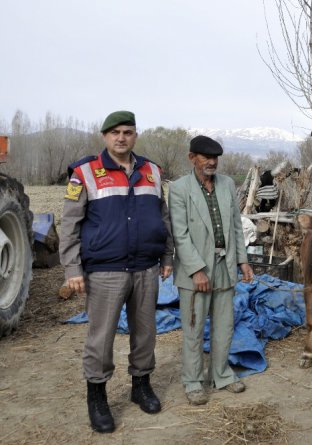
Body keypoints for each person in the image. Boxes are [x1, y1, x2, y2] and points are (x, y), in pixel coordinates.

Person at [59, 110, 173, 433]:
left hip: (146, 268)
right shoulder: (85, 172)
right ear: (105, 137)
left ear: (135, 135)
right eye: (115, 133)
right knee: (101, 336)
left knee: (145, 332)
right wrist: (72, 267)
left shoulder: (151, 171)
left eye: (128, 132)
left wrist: (167, 257)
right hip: (105, 271)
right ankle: (97, 396)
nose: (121, 138)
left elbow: (162, 218)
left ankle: (141, 385)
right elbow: (69, 225)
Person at [168, 135, 254, 406]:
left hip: (225, 266)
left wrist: (242, 260)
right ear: (192, 157)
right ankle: (193, 382)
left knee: (225, 325)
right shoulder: (180, 188)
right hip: (196, 271)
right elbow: (179, 235)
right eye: (205, 157)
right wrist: (196, 271)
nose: (211, 162)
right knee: (193, 327)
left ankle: (222, 375)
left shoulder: (227, 184)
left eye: (215, 158)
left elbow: (236, 227)